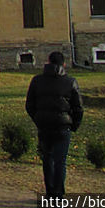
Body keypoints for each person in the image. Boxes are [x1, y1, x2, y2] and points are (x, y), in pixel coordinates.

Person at [26, 51, 84, 199]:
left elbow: (30, 105)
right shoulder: (70, 82)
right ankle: (58, 195)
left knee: (47, 160)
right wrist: (74, 124)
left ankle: (50, 193)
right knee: (60, 161)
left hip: (44, 126)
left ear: (48, 62)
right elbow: (78, 107)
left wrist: (38, 119)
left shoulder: (37, 81)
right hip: (63, 126)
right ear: (63, 64)